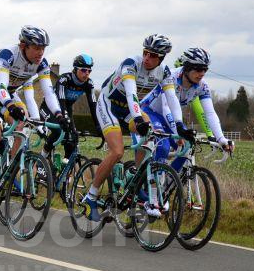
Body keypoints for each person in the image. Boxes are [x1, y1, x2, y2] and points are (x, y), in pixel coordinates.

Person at [82, 34, 191, 220]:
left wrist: (179, 125)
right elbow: (132, 94)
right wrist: (139, 119)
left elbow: (172, 100)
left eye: (153, 55)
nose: (147, 58)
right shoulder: (131, 63)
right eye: (146, 53)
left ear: (162, 58)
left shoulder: (163, 72)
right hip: (110, 104)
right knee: (117, 152)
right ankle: (91, 195)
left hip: (130, 109)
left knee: (152, 136)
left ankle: (137, 179)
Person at [0, 26, 68, 207]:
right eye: (36, 47)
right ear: (23, 45)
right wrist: (10, 106)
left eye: (43, 48)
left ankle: (6, 167)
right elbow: (2, 86)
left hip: (7, 95)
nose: (40, 52)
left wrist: (59, 115)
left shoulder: (42, 64)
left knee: (24, 125)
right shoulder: (8, 55)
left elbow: (48, 93)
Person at [140, 47, 234, 170]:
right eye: (199, 69)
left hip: (171, 117)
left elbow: (210, 113)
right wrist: (177, 132)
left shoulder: (202, 86)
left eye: (205, 69)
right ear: (187, 68)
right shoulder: (170, 77)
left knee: (188, 146)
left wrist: (221, 139)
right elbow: (166, 108)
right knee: (163, 147)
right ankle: (152, 185)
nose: (202, 73)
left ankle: (170, 180)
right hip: (151, 112)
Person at [41, 53, 101, 160]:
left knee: (73, 139)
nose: (86, 73)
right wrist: (64, 119)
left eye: (89, 71)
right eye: (83, 70)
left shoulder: (89, 84)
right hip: (49, 108)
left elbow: (93, 106)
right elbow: (62, 100)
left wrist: (98, 126)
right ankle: (42, 157)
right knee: (58, 131)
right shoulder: (65, 79)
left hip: (67, 109)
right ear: (75, 69)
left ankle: (65, 167)